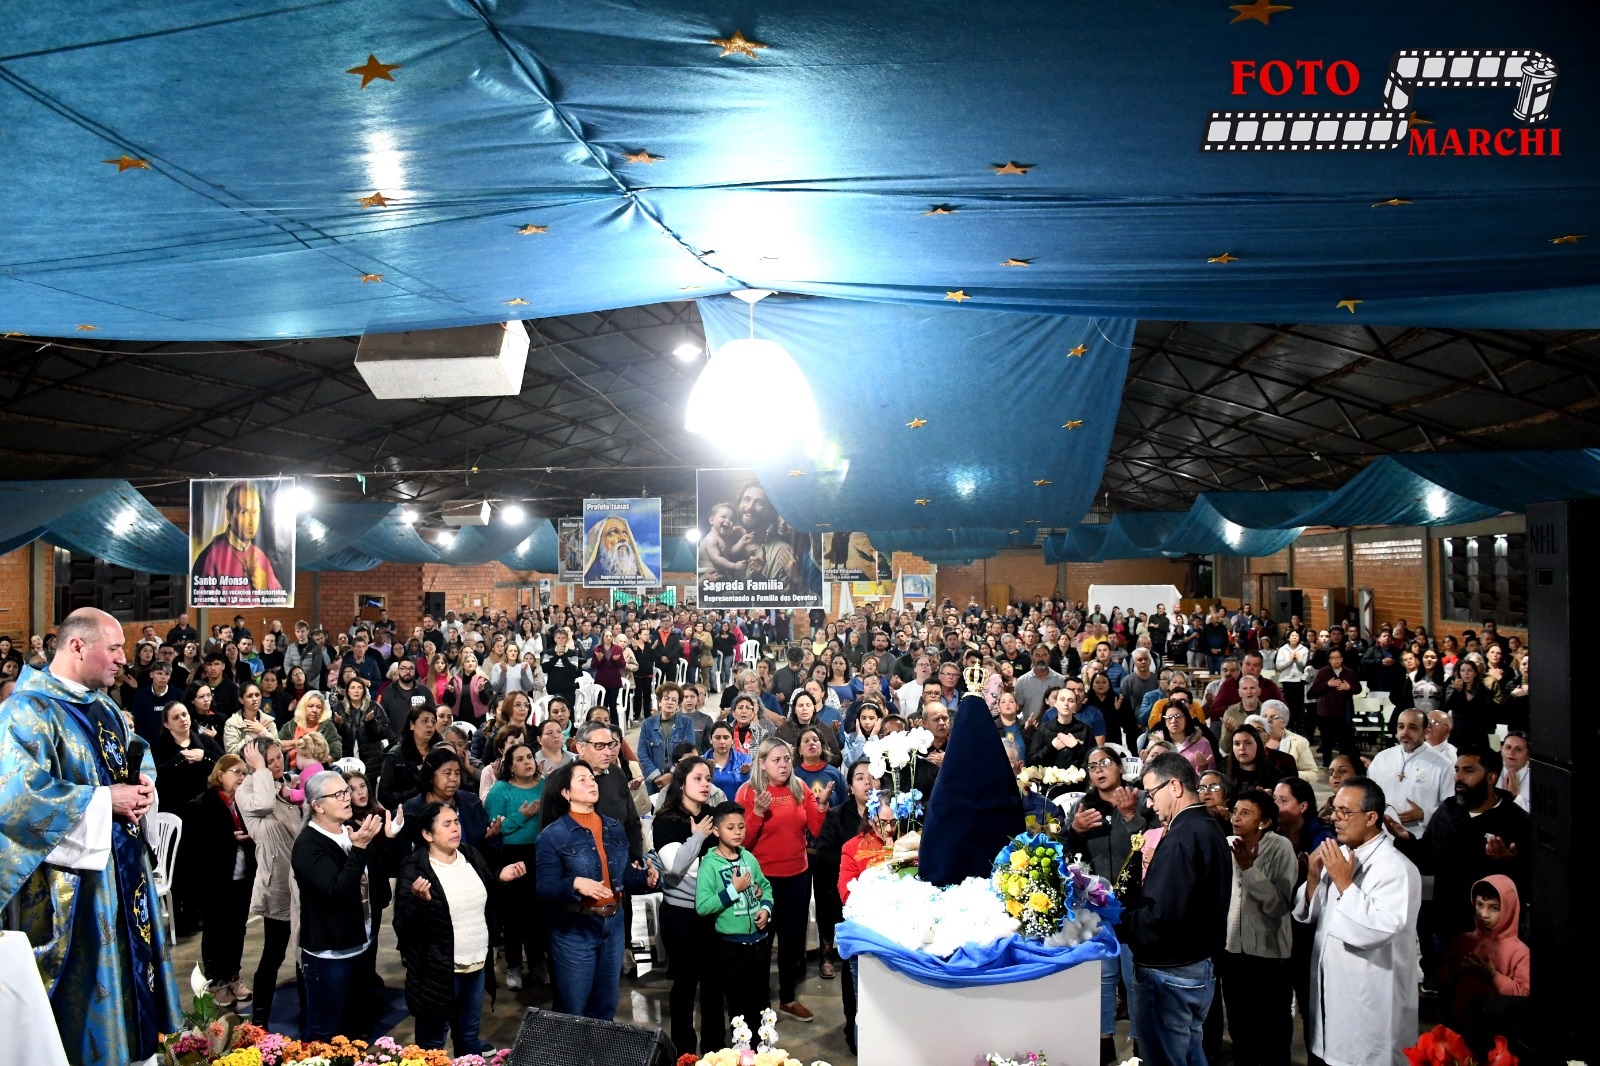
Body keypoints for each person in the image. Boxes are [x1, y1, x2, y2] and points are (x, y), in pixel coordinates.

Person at [0, 608, 181, 1065]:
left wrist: (142, 785)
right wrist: (104, 802)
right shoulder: (25, 711)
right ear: (78, 646)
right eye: (115, 648)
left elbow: (132, 754)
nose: (125, 659)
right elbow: (15, 798)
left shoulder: (102, 706)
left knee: (132, 985)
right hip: (75, 889)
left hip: (125, 875)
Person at [1293, 776, 1421, 1066]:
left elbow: (1378, 929)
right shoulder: (1341, 855)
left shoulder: (1397, 869)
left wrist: (1344, 883)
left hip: (1371, 1002)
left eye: (1344, 812)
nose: (1335, 819)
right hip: (1334, 994)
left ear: (1371, 817)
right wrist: (1313, 878)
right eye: (1333, 810)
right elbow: (1311, 915)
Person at [1120, 751, 1231, 1066]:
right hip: (1197, 966)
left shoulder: (1182, 837)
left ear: (1176, 787)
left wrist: (1117, 922)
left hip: (1168, 972)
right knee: (1189, 1052)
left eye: (1153, 794)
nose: (1150, 804)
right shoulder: (1207, 828)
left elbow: (1162, 918)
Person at [395, 802, 529, 1054]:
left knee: (468, 1036)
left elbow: (485, 893)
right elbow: (403, 925)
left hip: (476, 965)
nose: (455, 828)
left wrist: (500, 877)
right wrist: (418, 902)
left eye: (456, 821)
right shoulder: (415, 868)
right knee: (432, 1046)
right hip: (437, 972)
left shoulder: (470, 854)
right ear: (427, 834)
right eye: (446, 824)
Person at [535, 760, 659, 1020]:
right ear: (565, 793)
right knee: (573, 1012)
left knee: (605, 1009)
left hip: (613, 925)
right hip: (575, 930)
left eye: (592, 778)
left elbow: (621, 875)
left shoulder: (613, 826)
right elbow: (545, 889)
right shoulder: (553, 835)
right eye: (582, 779)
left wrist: (643, 878)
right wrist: (574, 884)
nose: (592, 782)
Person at [1385, 744, 1531, 946]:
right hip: (1448, 926)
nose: (1458, 777)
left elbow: (1531, 881)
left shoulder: (1516, 820)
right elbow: (1429, 861)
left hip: (1494, 937)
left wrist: (1508, 863)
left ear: (1491, 778)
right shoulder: (1448, 811)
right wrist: (1406, 840)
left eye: (1468, 770)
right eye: (1457, 770)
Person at [1064, 746, 1155, 1065]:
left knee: (1134, 978)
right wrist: (1074, 832)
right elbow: (1068, 854)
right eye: (1092, 766)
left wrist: (1131, 818)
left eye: (1105, 763)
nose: (1099, 770)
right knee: (1101, 978)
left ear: (1119, 767)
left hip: (1135, 906)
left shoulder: (1141, 799)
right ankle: (1102, 1043)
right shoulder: (1082, 806)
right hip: (1096, 907)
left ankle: (1141, 1044)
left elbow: (1153, 844)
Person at [736, 737, 827, 1022]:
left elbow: (815, 829)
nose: (784, 765)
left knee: (792, 941)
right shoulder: (748, 793)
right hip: (762, 882)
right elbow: (742, 841)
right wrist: (758, 814)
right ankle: (760, 1002)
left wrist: (821, 808)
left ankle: (788, 997)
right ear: (761, 764)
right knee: (762, 941)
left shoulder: (799, 788)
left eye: (787, 759)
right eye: (776, 760)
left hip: (797, 877)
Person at [291, 770, 385, 1041]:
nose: (348, 798)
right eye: (338, 794)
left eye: (346, 791)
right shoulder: (308, 845)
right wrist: (360, 849)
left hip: (361, 945)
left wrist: (381, 841)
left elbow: (372, 881)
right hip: (330, 954)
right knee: (324, 1034)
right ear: (317, 805)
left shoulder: (351, 830)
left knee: (354, 1031)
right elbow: (335, 891)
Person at [1219, 789, 1296, 1066]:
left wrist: (1248, 868)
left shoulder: (1280, 848)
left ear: (1264, 822)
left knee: (1272, 1032)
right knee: (1240, 1028)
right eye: (1235, 811)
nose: (1236, 817)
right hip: (1232, 953)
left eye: (1246, 813)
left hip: (1269, 956)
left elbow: (1278, 906)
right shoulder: (1226, 843)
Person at [654, 757, 726, 1054]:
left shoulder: (713, 814)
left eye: (708, 778)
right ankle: (683, 1052)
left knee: (714, 987)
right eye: (698, 778)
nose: (705, 783)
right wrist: (697, 838)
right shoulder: (667, 819)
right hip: (682, 915)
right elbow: (676, 866)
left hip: (715, 913)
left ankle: (715, 1051)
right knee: (684, 985)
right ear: (681, 783)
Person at [696, 800, 775, 1037]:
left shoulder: (749, 858)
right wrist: (734, 890)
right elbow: (702, 906)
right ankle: (743, 1056)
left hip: (759, 943)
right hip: (731, 948)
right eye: (730, 828)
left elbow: (766, 887)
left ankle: (764, 1054)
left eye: (741, 827)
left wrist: (766, 909)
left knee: (762, 1004)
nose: (738, 832)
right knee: (739, 1009)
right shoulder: (709, 865)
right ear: (716, 831)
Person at [188, 754, 256, 1008]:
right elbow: (197, 848)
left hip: (241, 877)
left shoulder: (242, 803)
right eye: (237, 771)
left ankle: (233, 976)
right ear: (220, 774)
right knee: (216, 930)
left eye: (245, 773)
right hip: (214, 880)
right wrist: (230, 839)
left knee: (237, 929)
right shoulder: (202, 805)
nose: (242, 777)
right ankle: (217, 982)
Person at [483, 741, 547, 989]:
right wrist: (522, 816)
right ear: (509, 766)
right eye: (519, 759)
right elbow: (493, 830)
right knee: (513, 914)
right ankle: (513, 966)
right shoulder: (500, 790)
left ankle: (538, 962)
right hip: (510, 855)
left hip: (539, 853)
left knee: (537, 912)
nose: (527, 762)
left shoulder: (544, 787)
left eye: (529, 757)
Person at [1441, 876, 1529, 1043]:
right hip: (1459, 1026)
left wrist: (1493, 975)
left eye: (1494, 908)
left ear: (1509, 909)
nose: (1484, 914)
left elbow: (1524, 995)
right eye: (1480, 905)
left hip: (1499, 1035)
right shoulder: (1464, 941)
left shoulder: (1520, 952)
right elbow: (1444, 983)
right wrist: (1457, 969)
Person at [192, 480, 285, 596]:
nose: (251, 522)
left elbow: (280, 598)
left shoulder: (260, 556)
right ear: (229, 516)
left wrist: (266, 587)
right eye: (244, 512)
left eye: (255, 512)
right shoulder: (210, 558)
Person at [1307, 647, 1361, 766]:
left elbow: (1358, 689)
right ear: (1329, 660)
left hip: (1343, 713)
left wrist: (1349, 687)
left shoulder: (1349, 672)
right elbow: (1312, 692)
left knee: (1344, 742)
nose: (1336, 660)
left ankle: (1343, 765)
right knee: (1327, 741)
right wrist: (1327, 684)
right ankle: (1327, 764)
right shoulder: (1323, 672)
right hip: (1326, 713)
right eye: (1333, 658)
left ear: (1342, 659)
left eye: (1338, 657)